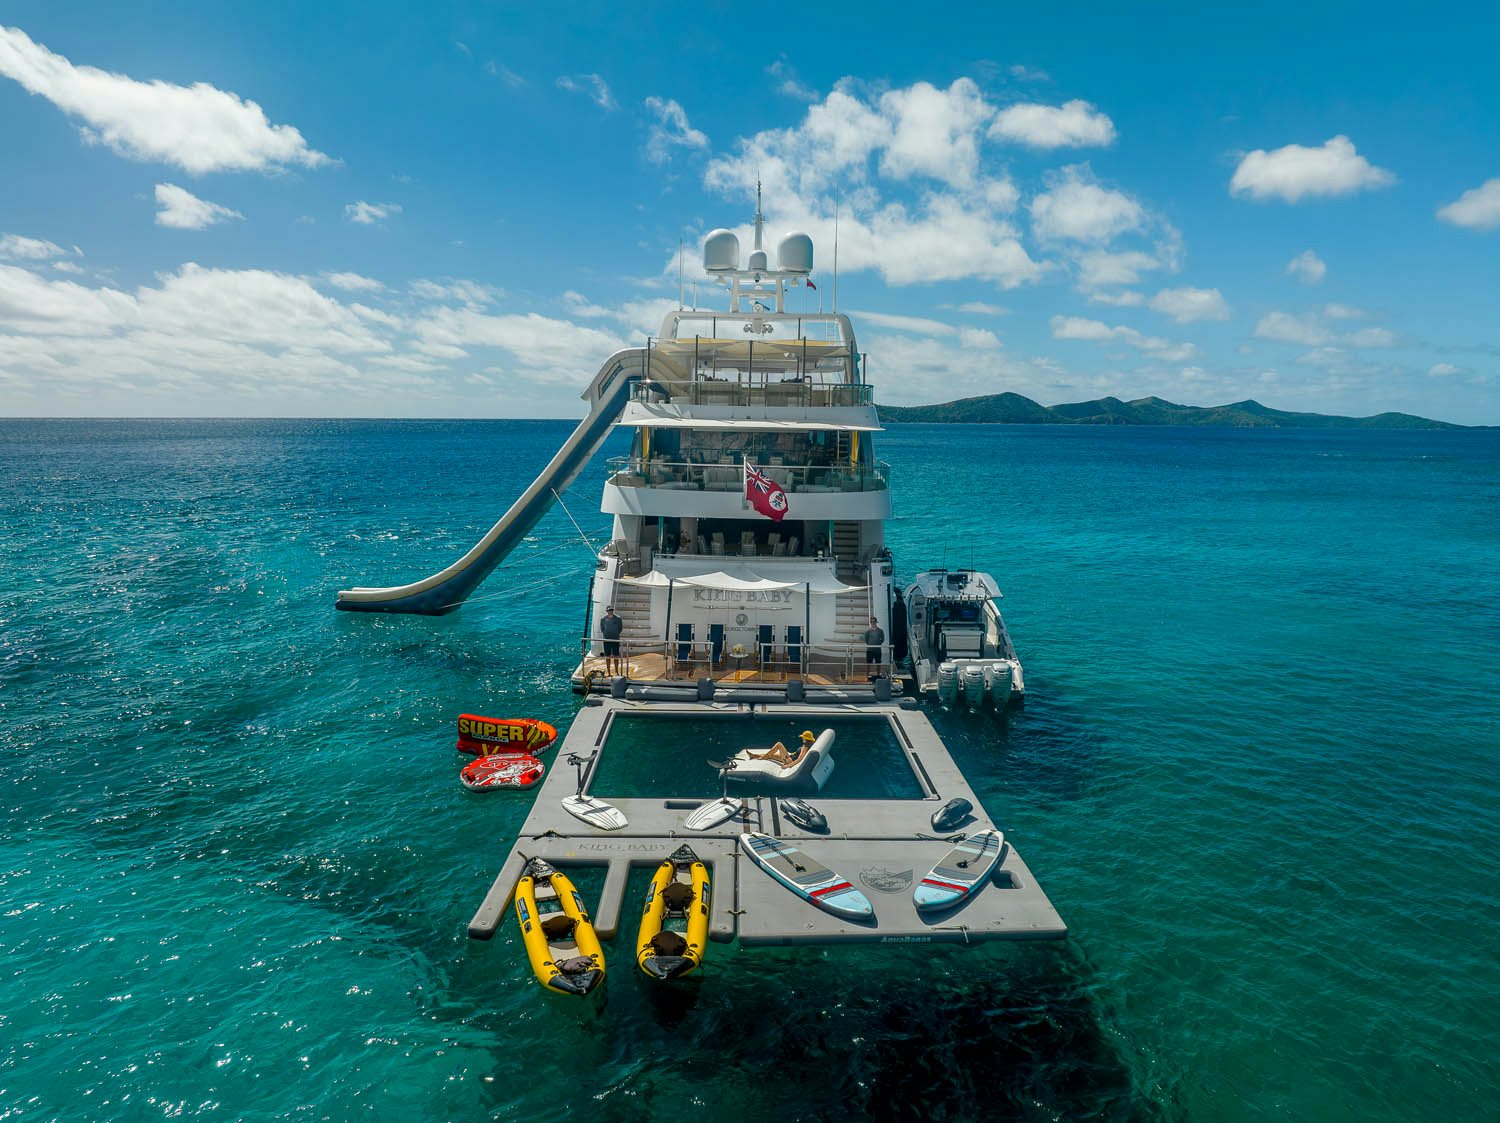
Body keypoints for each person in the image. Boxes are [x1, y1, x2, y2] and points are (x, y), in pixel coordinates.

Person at [750, 729, 816, 769]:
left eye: (803, 737)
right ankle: (753, 756)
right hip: (790, 757)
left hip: (789, 761)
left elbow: (799, 759)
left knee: (779, 744)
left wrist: (787, 766)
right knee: (771, 755)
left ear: (806, 739)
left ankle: (762, 758)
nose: (802, 738)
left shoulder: (805, 747)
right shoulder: (809, 745)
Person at [600, 605, 624, 674]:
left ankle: (616, 672)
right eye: (609, 610)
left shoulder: (618, 618)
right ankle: (609, 673)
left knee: (616, 656)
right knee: (607, 657)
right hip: (606, 640)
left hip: (615, 640)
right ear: (607, 611)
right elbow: (602, 629)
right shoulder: (603, 619)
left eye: (611, 610)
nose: (610, 611)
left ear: (613, 611)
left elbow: (620, 628)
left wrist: (615, 635)